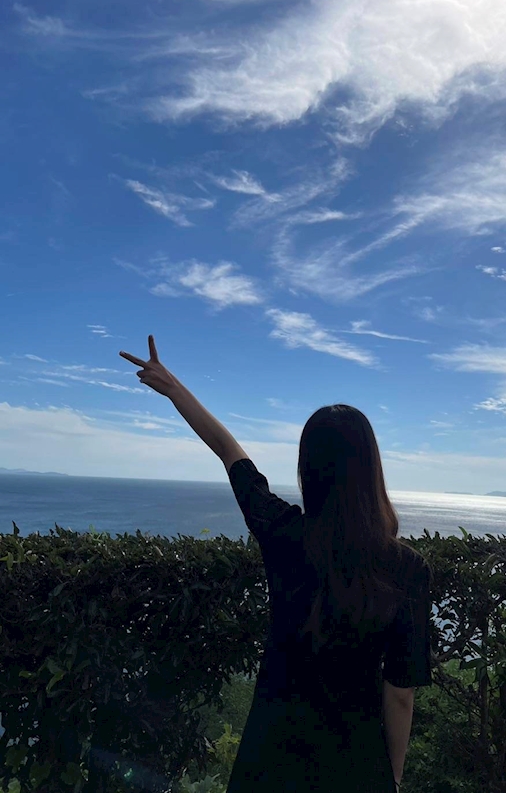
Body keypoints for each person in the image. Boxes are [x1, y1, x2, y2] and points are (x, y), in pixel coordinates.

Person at [120, 336, 432, 793]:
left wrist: (173, 389)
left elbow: (230, 453)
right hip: (356, 767)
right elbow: (400, 693)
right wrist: (394, 776)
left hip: (269, 759)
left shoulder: (283, 532)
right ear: (371, 471)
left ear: (308, 469)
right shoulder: (408, 569)